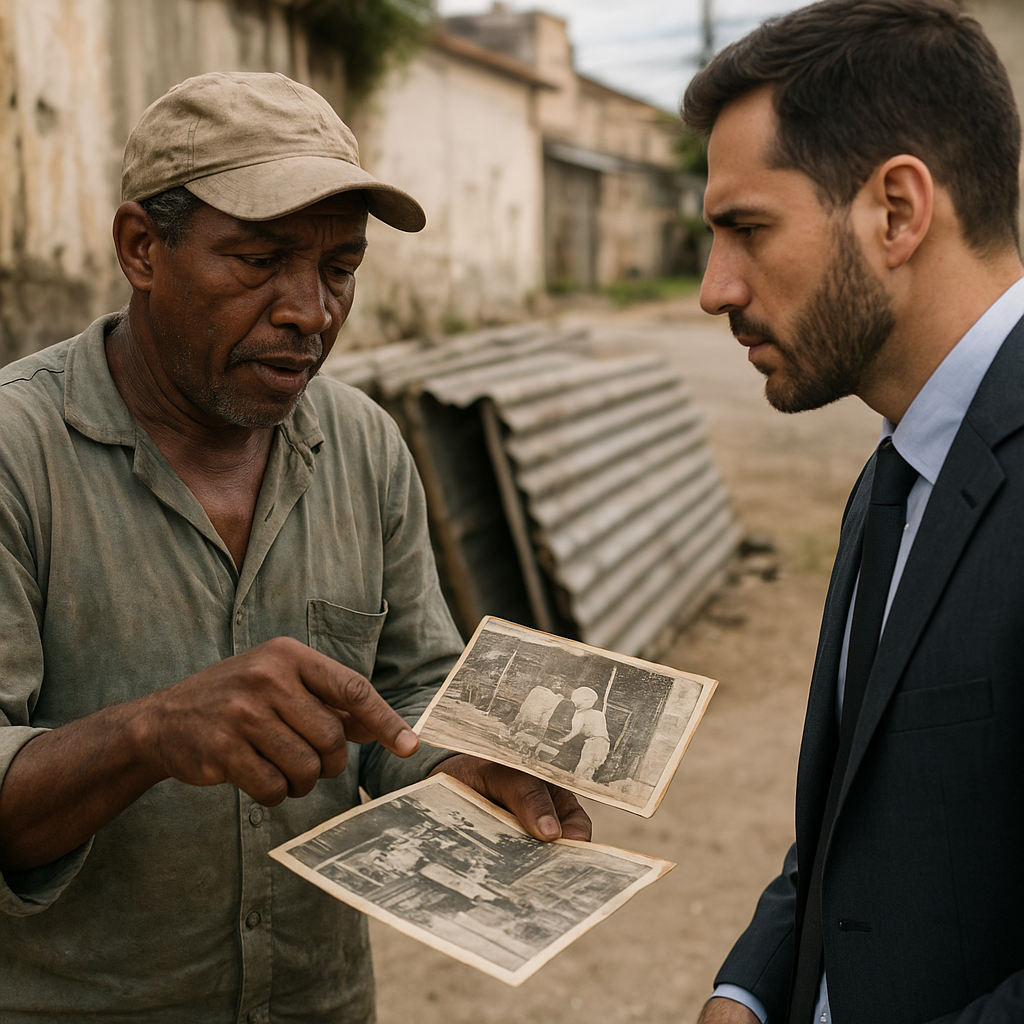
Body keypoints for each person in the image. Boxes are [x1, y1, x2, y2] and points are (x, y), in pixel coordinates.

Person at [0, 71, 590, 1023]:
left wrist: (458, 770)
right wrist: (151, 733)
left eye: (340, 269)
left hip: (321, 1000)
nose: (310, 312)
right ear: (141, 248)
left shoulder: (365, 445)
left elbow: (409, 692)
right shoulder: (16, 456)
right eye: (259, 260)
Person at [682, 1, 1024, 1021]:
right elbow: (859, 822)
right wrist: (749, 991)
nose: (713, 288)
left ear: (896, 212)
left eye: (747, 229)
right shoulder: (898, 469)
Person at [563, 687, 611, 781]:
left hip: (594, 743)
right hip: (605, 744)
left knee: (583, 766)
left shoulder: (581, 715)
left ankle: (574, 782)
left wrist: (565, 739)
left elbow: (576, 731)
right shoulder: (598, 714)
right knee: (590, 769)